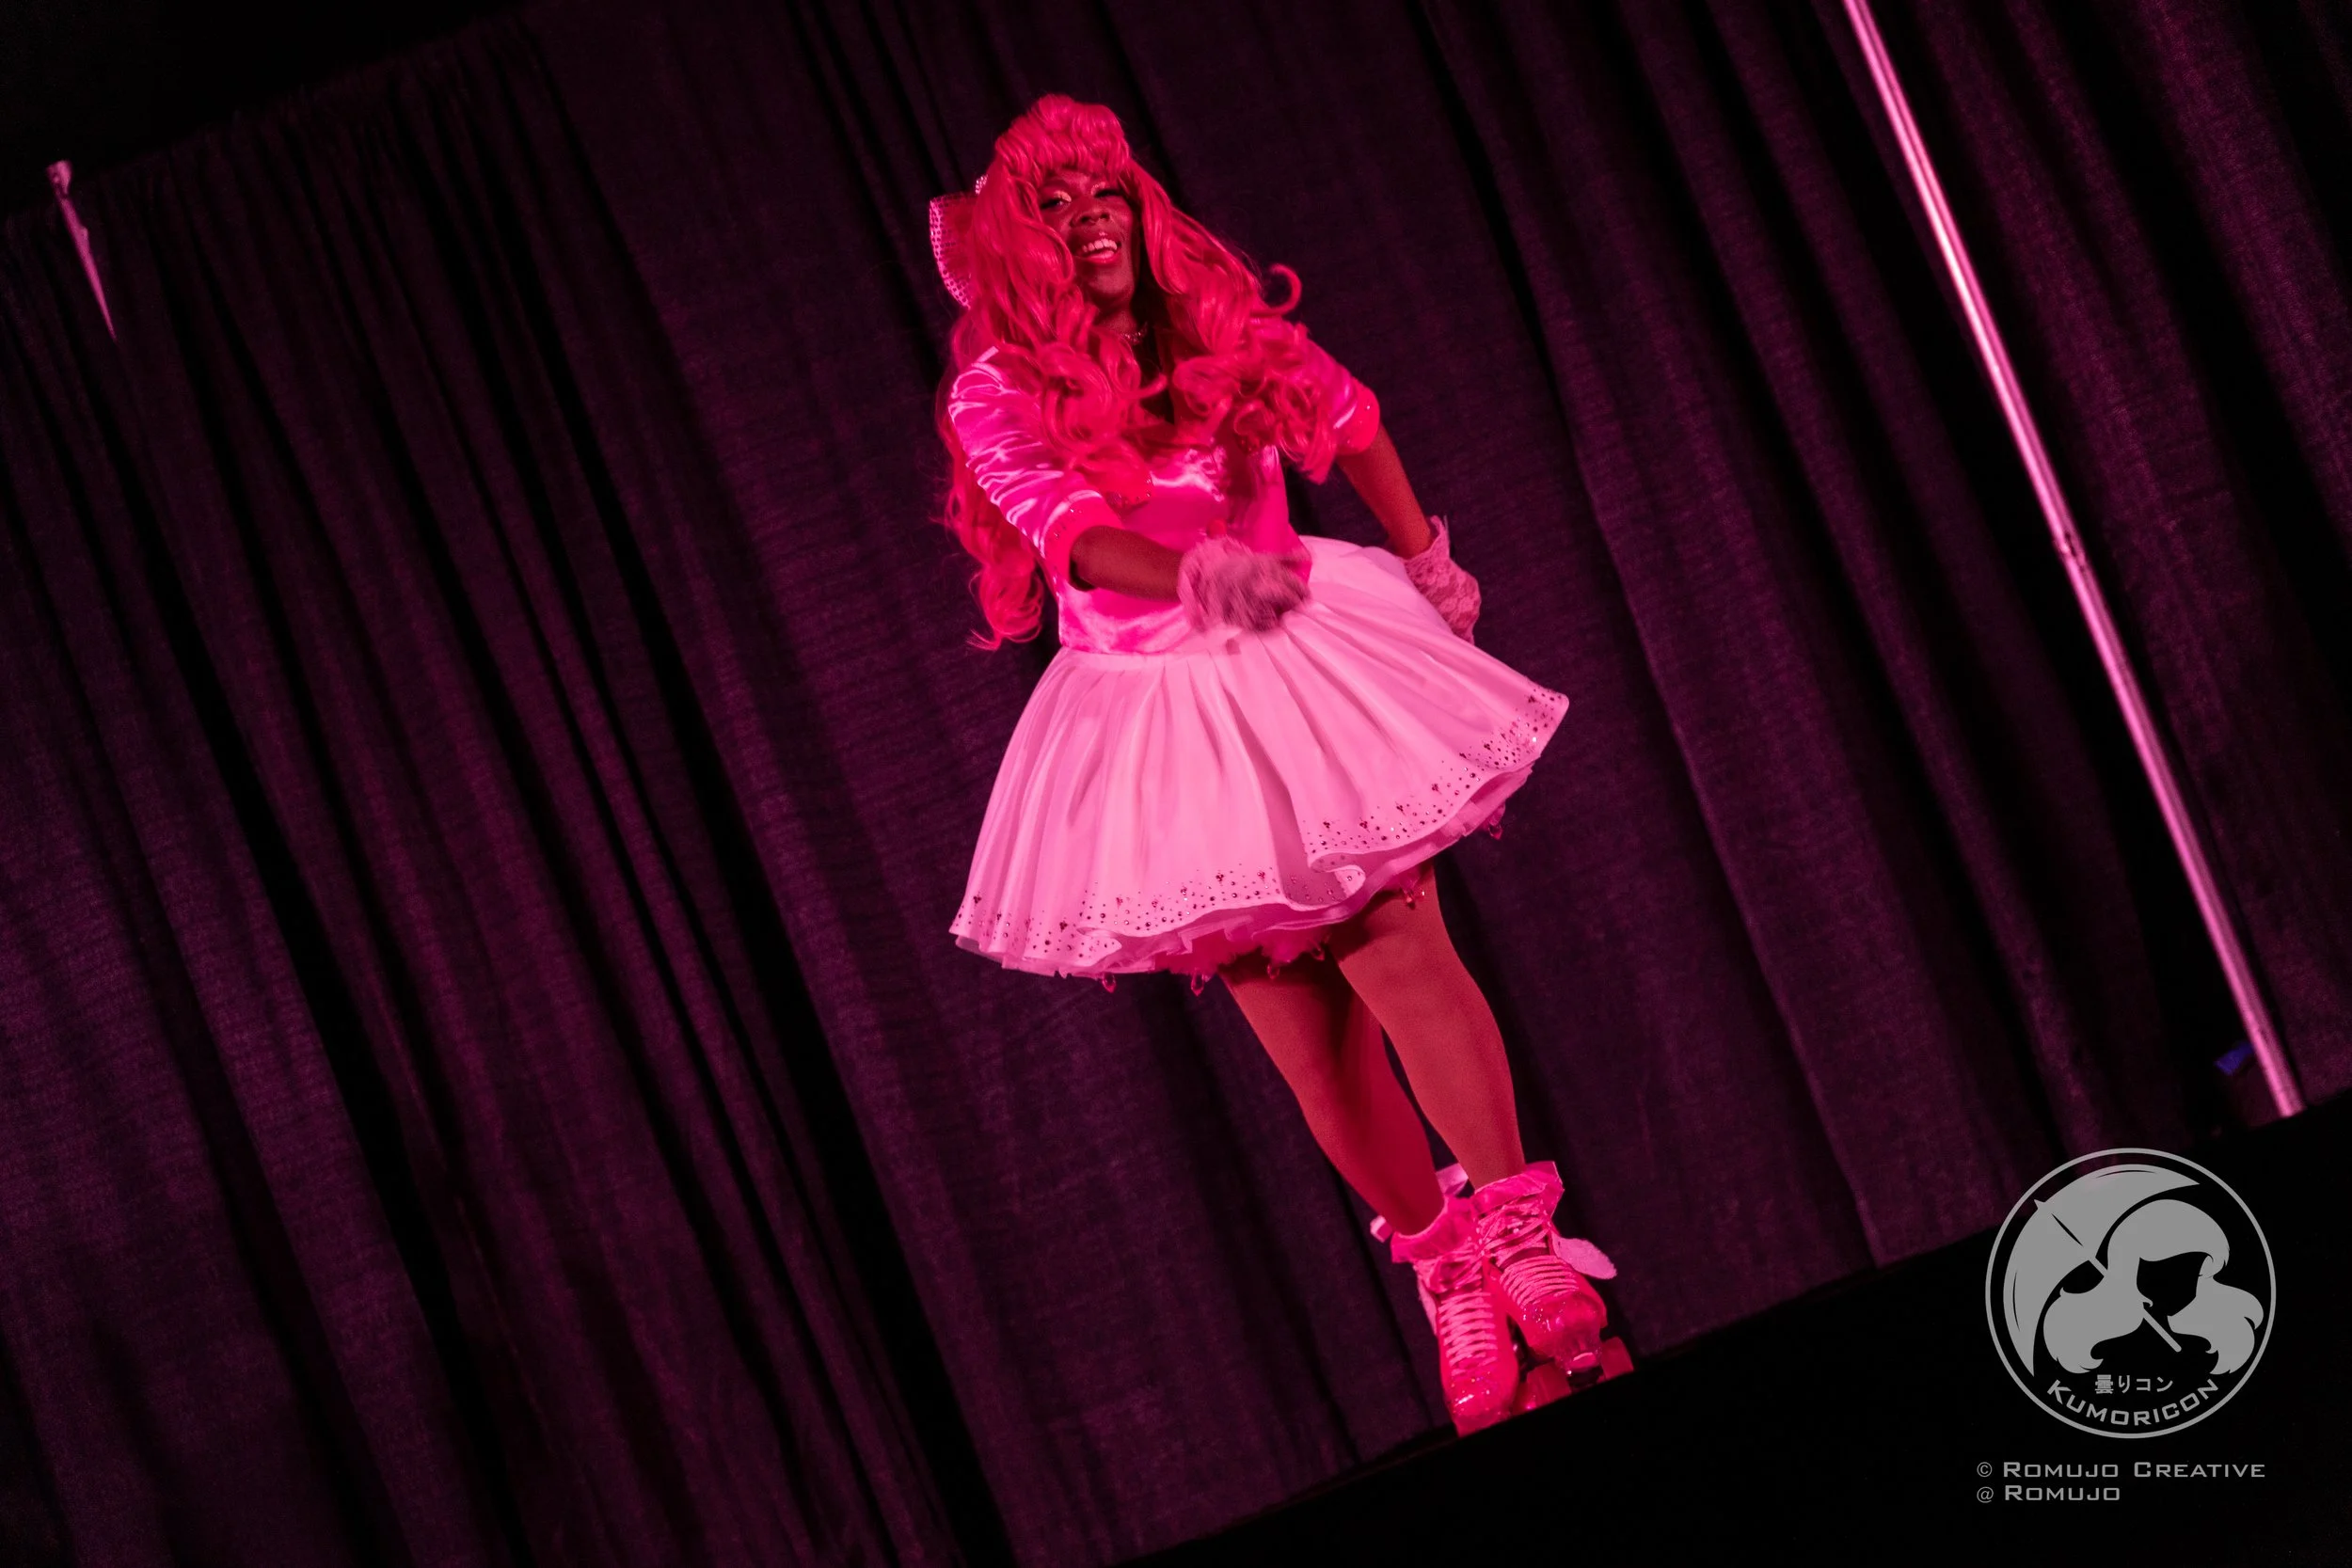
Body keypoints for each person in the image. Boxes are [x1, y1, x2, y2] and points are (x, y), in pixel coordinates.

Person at [929, 94, 1626, 1433]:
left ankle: (1522, 1231)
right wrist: (1191, 570)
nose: (1090, 228)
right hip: (1153, 705)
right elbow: (1072, 539)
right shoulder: (1000, 387)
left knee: (1396, 941)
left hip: (1300, 662)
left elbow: (1351, 418)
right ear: (1021, 246)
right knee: (1297, 1021)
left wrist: (1427, 555)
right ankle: (1446, 1267)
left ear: (1141, 206)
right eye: (1055, 211)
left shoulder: (1218, 328)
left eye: (1105, 198)